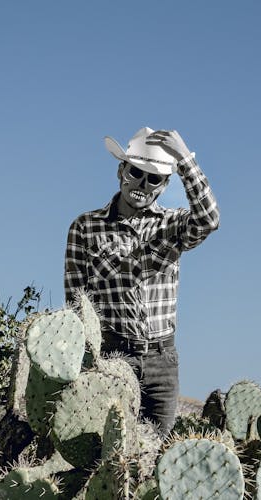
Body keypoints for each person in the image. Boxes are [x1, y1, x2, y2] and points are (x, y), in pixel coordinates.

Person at [64, 126, 220, 434]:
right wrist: (86, 364)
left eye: (153, 178)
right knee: (109, 455)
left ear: (163, 186)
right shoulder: (85, 227)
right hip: (113, 358)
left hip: (162, 361)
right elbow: (76, 302)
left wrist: (185, 159)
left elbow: (209, 219)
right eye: (136, 172)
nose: (142, 184)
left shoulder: (172, 225)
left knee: (154, 456)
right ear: (121, 169)